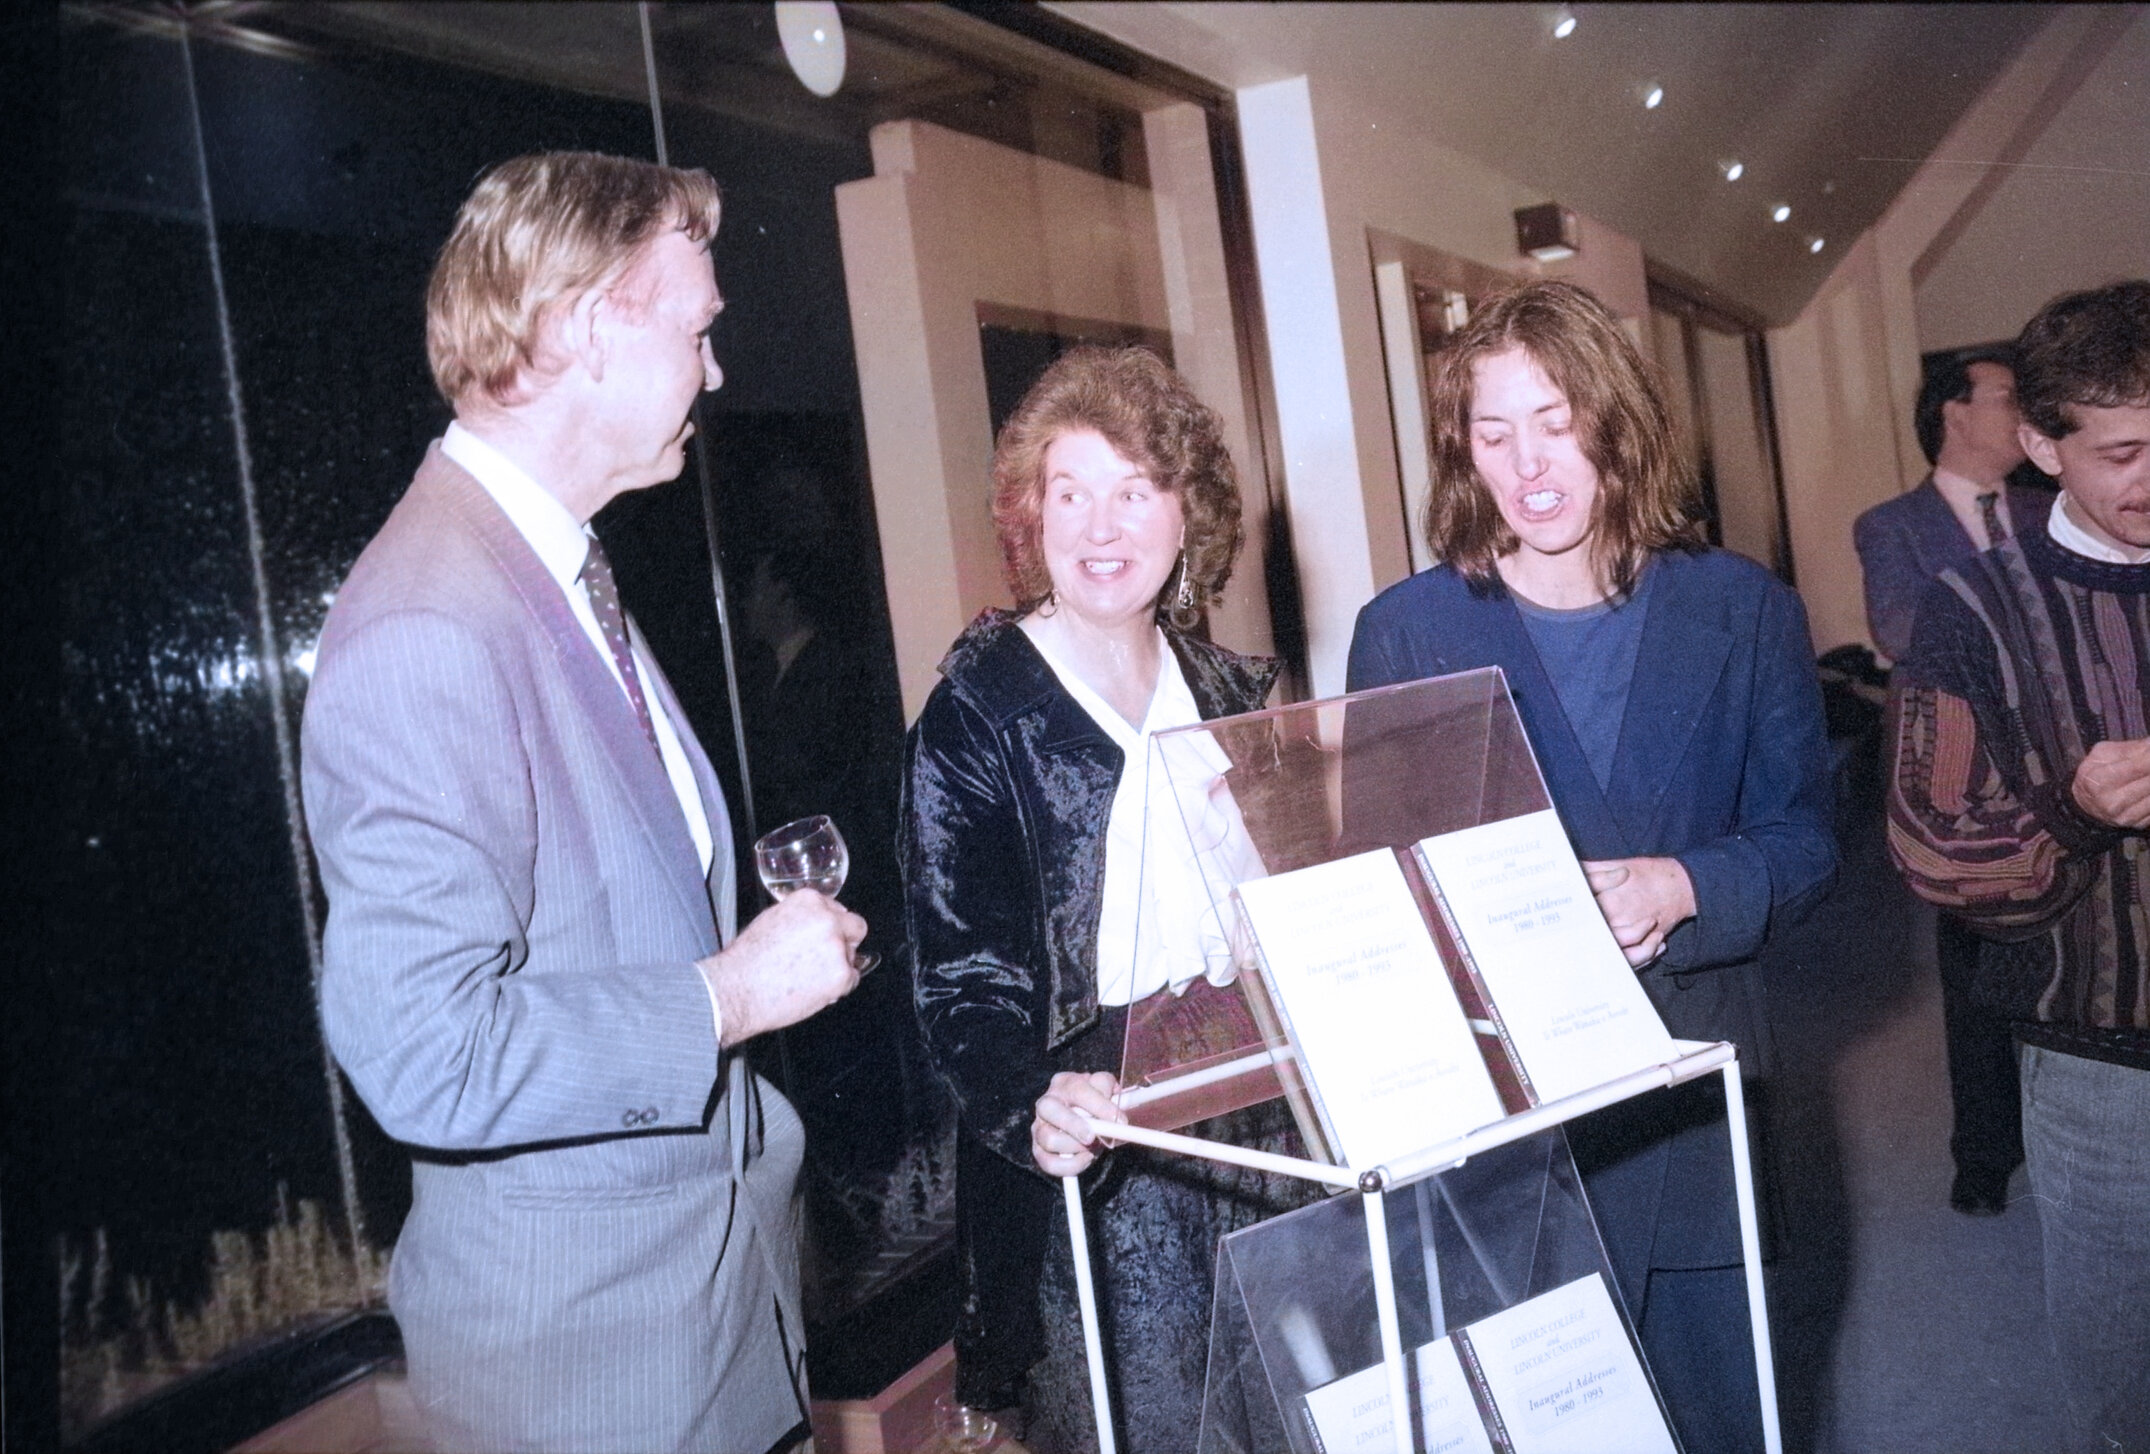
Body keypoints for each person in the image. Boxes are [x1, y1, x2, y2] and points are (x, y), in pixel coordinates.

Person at [300, 152, 864, 1454]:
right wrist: (731, 995)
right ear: (586, 328)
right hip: (593, 1388)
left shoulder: (558, 569)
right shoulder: (430, 620)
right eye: (695, 329)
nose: (714, 372)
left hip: (709, 1342)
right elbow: (422, 1050)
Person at [1346, 280, 1836, 1454]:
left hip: (1694, 1088)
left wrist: (1687, 885)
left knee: (1723, 1417)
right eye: (1492, 432)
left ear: (1618, 422)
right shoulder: (1406, 630)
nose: (1526, 465)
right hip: (1505, 1125)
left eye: (1555, 422)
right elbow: (1373, 884)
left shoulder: (1742, 606)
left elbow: (1807, 837)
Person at [902, 346, 1307, 1453]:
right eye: (1069, 492)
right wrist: (1031, 1101)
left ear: (1186, 514)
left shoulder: (1227, 693)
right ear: (1031, 515)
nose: (1099, 527)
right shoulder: (978, 714)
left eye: (1133, 491)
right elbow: (961, 985)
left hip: (1267, 1132)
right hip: (1103, 1159)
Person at [1886, 279, 2150, 1454]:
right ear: (2040, 446)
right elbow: (1932, 844)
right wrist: (2072, 811)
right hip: (2102, 1062)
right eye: (2122, 453)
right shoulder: (1972, 611)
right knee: (2122, 1391)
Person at [1854, 347, 2047, 1214]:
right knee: (1973, 961)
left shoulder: (2051, 509)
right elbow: (1899, 630)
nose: (2024, 408)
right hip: (1962, 771)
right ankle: (1985, 1152)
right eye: (2007, 396)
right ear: (1955, 414)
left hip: (2061, 757)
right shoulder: (1890, 525)